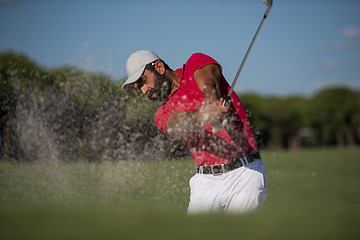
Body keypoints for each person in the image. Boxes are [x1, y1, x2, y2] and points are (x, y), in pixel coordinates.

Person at [122, 50, 266, 214]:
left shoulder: (195, 63)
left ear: (159, 67)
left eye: (143, 81)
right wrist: (205, 114)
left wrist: (212, 101)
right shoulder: (161, 114)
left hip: (245, 173)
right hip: (205, 182)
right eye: (139, 87)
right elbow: (175, 125)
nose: (143, 90)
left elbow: (208, 82)